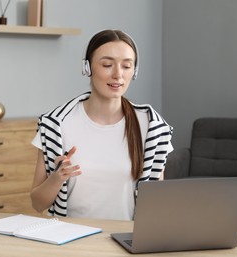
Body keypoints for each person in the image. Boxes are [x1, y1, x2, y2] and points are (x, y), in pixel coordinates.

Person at [30, 29, 173, 220]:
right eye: (107, 64)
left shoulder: (152, 126)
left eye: (126, 66)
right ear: (87, 68)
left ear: (135, 71)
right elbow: (37, 204)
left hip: (127, 242)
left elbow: (158, 205)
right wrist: (57, 178)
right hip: (71, 240)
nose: (118, 75)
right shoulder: (55, 125)